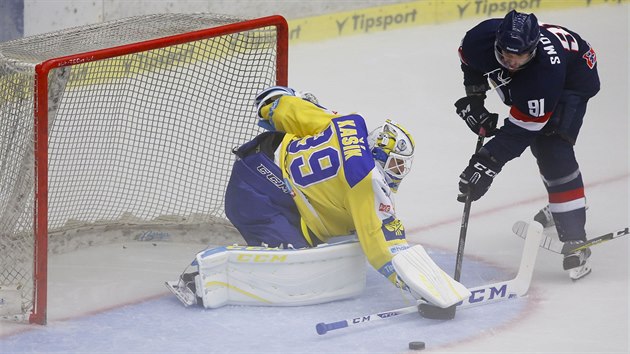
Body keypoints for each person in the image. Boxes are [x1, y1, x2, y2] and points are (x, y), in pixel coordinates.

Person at [166, 86, 470, 310]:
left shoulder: (347, 122)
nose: (398, 172)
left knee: (331, 239)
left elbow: (289, 107)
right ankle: (203, 272)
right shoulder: (367, 183)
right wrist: (416, 288)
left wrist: (272, 106)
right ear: (378, 154)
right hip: (258, 193)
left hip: (257, 165)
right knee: (296, 266)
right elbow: (380, 246)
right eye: (396, 164)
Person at [453, 10, 600, 280]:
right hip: (535, 81)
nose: (511, 60)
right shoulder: (479, 39)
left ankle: (576, 240)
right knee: (533, 121)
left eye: (520, 55)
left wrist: (486, 163)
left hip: (573, 79)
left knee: (551, 148)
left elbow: (520, 133)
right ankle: (562, 202)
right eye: (506, 53)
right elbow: (471, 64)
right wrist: (475, 100)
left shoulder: (545, 74)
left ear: (532, 49)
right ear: (496, 40)